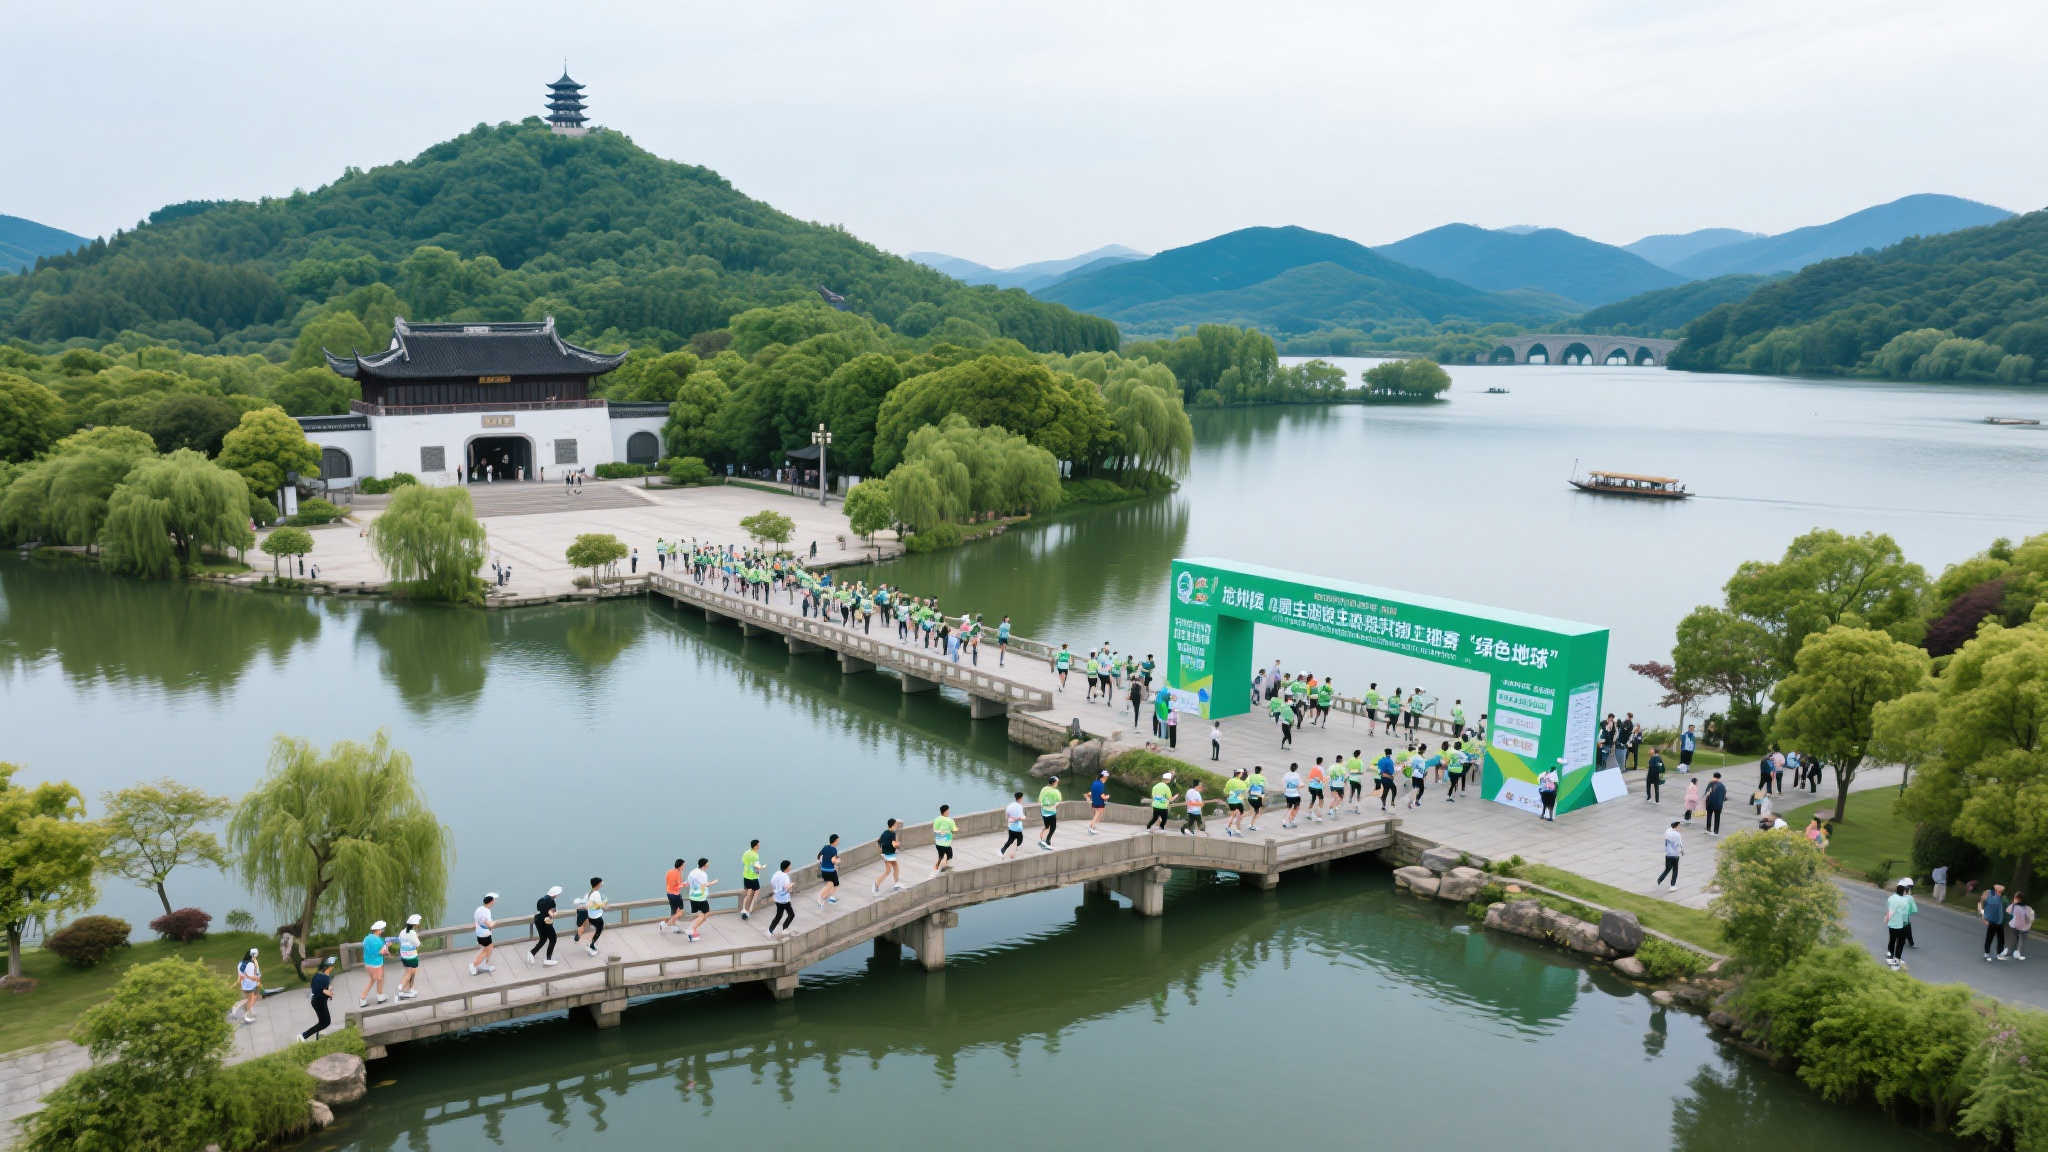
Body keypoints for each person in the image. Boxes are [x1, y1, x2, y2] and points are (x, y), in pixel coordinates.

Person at [298, 956, 336, 1042]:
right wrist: (329, 993)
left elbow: (316, 988)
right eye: (332, 966)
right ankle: (303, 1036)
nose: (333, 968)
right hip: (319, 1002)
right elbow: (321, 990)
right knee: (325, 1022)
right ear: (328, 967)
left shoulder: (318, 975)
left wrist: (328, 990)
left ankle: (316, 1036)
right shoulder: (325, 978)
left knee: (323, 1022)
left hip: (317, 1001)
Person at [358, 920, 390, 1007]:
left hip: (368, 963)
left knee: (377, 979)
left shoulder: (366, 938)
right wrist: (387, 946)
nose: (382, 931)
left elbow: (367, 948)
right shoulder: (378, 940)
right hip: (376, 963)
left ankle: (380, 996)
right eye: (382, 929)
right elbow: (382, 952)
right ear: (378, 930)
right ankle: (363, 998)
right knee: (375, 980)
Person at [1884, 881, 1914, 969]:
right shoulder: (1905, 900)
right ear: (1905, 891)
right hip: (1902, 925)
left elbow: (1890, 910)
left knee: (1892, 940)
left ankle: (1891, 957)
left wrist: (1886, 919)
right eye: (1908, 890)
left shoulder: (1892, 898)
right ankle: (1895, 960)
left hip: (1893, 924)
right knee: (1901, 943)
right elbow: (1893, 911)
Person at [529, 886, 561, 965]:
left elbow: (539, 910)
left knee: (543, 939)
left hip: (538, 920)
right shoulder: (552, 902)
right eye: (557, 894)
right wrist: (555, 913)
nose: (558, 895)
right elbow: (551, 914)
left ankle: (531, 953)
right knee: (553, 938)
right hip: (546, 921)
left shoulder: (541, 899)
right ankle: (548, 959)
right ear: (555, 894)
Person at [685, 859, 715, 941]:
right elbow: (705, 885)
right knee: (704, 915)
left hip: (692, 897)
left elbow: (688, 882)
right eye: (707, 864)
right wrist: (713, 882)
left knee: (701, 915)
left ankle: (693, 930)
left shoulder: (693, 871)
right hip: (700, 898)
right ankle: (691, 929)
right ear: (704, 865)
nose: (708, 865)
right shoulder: (703, 874)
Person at [395, 914, 424, 998]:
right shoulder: (412, 933)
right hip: (412, 957)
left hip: (404, 956)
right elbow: (418, 944)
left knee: (410, 972)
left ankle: (410, 989)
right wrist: (416, 937)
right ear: (414, 924)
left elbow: (400, 941)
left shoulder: (402, 932)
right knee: (410, 973)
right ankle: (400, 988)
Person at [232, 946, 263, 1023]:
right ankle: (245, 1016)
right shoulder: (251, 965)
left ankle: (249, 1010)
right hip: (251, 986)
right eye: (255, 956)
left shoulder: (240, 964)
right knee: (250, 1000)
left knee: (253, 998)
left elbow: (240, 976)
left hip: (246, 985)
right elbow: (251, 977)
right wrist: (257, 979)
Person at [471, 893, 498, 974]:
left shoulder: (479, 909)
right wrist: (495, 922)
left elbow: (477, 920)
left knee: (489, 948)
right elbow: (489, 925)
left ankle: (484, 964)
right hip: (485, 934)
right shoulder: (487, 912)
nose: (494, 902)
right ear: (491, 902)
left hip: (479, 933)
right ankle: (474, 965)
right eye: (494, 901)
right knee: (486, 951)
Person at [766, 860, 795, 936]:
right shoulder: (785, 877)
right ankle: (784, 929)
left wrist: (777, 890)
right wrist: (791, 885)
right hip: (784, 900)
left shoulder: (777, 873)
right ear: (787, 867)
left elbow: (772, 882)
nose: (790, 867)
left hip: (777, 898)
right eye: (790, 866)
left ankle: (770, 930)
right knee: (791, 915)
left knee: (779, 915)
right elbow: (787, 888)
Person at [1982, 883, 2010, 961]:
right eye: (1999, 891)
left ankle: (1998, 954)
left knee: (2000, 938)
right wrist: (1984, 918)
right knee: (1990, 938)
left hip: (2000, 922)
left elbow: (2007, 910)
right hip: (1993, 921)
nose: (2000, 892)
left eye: (2001, 891)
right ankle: (1987, 953)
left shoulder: (2003, 899)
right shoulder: (1992, 899)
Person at [874, 819, 903, 892]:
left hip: (885, 854)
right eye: (896, 825)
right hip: (889, 854)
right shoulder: (892, 834)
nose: (896, 826)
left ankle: (895, 884)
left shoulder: (885, 832)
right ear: (893, 825)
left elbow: (878, 841)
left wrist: (881, 852)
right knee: (892, 869)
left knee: (891, 869)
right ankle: (878, 883)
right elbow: (894, 845)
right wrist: (898, 845)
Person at [583, 877, 608, 957]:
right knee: (598, 931)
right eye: (601, 883)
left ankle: (591, 943)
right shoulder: (596, 894)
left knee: (596, 930)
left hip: (590, 915)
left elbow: (588, 904)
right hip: (596, 917)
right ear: (598, 884)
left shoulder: (590, 892)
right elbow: (600, 905)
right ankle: (591, 945)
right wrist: (605, 906)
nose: (602, 884)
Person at [739, 840, 763, 921]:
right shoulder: (755, 855)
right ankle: (749, 911)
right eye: (758, 845)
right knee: (756, 892)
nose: (759, 846)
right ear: (755, 846)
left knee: (748, 894)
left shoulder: (746, 853)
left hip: (746, 876)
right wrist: (761, 869)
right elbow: (756, 868)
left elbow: (743, 862)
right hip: (753, 877)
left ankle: (743, 909)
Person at [662, 859, 688, 932]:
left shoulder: (669, 872)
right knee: (681, 911)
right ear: (680, 866)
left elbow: (668, 883)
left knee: (674, 911)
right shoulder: (678, 873)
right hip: (676, 895)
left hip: (669, 894)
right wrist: (685, 884)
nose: (683, 867)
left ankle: (673, 927)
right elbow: (678, 886)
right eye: (683, 865)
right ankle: (666, 923)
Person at [1656, 821, 1683, 890]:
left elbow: (1666, 842)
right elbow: (1679, 844)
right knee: (1675, 870)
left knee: (1668, 868)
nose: (1680, 827)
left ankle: (1660, 879)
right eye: (1679, 826)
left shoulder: (1667, 831)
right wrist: (1682, 851)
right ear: (1676, 826)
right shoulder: (1677, 834)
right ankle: (1672, 885)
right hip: (1675, 855)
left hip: (1668, 854)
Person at [931, 805, 958, 875]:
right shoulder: (950, 820)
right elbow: (954, 830)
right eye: (948, 810)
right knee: (947, 856)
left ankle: (937, 868)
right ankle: (943, 869)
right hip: (946, 843)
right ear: (945, 811)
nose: (949, 812)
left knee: (941, 855)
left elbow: (935, 830)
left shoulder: (936, 819)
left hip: (938, 843)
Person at [816, 835, 841, 906]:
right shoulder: (834, 849)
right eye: (838, 840)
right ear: (835, 841)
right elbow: (833, 860)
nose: (838, 842)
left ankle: (829, 898)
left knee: (834, 884)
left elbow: (818, 856)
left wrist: (822, 864)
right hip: (830, 870)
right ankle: (821, 897)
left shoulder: (825, 847)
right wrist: (838, 861)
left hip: (824, 870)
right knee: (831, 885)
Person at [1038, 776, 1062, 849]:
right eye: (1057, 782)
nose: (1057, 784)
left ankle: (1042, 840)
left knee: (1046, 827)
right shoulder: (1056, 792)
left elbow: (1040, 800)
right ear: (1054, 783)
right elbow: (1058, 801)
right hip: (1051, 812)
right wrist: (1054, 805)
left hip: (1043, 811)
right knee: (1053, 827)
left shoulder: (1043, 789)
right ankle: (1047, 841)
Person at [1002, 791, 1027, 858]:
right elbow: (1019, 818)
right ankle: (1011, 853)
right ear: (1021, 798)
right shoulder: (1019, 807)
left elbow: (1006, 817)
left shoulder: (1010, 805)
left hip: (1010, 827)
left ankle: (1003, 850)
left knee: (1010, 840)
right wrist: (1024, 817)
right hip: (1018, 828)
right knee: (1019, 841)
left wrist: (1011, 820)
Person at [1223, 770, 1248, 836]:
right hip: (1238, 801)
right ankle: (1238, 830)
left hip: (1231, 801)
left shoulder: (1230, 781)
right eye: (1242, 774)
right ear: (1239, 774)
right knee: (1239, 816)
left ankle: (1228, 827)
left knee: (1233, 814)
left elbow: (1225, 791)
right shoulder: (1242, 783)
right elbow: (1244, 794)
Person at [2010, 893, 2033, 960]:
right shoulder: (2025, 907)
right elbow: (2027, 917)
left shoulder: (2014, 906)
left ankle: (2013, 952)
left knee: (2016, 938)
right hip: (2022, 926)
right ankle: (2017, 953)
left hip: (2014, 925)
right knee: (2022, 939)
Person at [1246, 765, 1267, 831]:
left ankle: (1250, 824)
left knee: (1254, 811)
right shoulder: (1262, 778)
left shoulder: (1250, 777)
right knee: (1257, 813)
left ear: (1255, 770)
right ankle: (1251, 825)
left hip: (1250, 797)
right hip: (1257, 797)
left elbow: (1247, 785)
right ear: (1260, 771)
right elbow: (1262, 788)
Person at [1088, 769, 1109, 835]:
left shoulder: (1094, 782)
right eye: (1107, 777)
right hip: (1099, 802)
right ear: (1104, 777)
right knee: (1097, 815)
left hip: (1094, 801)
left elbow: (1091, 792)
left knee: (1096, 814)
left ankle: (1093, 827)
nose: (1107, 778)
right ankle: (1091, 827)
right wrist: (1107, 797)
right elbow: (1102, 796)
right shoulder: (1101, 784)